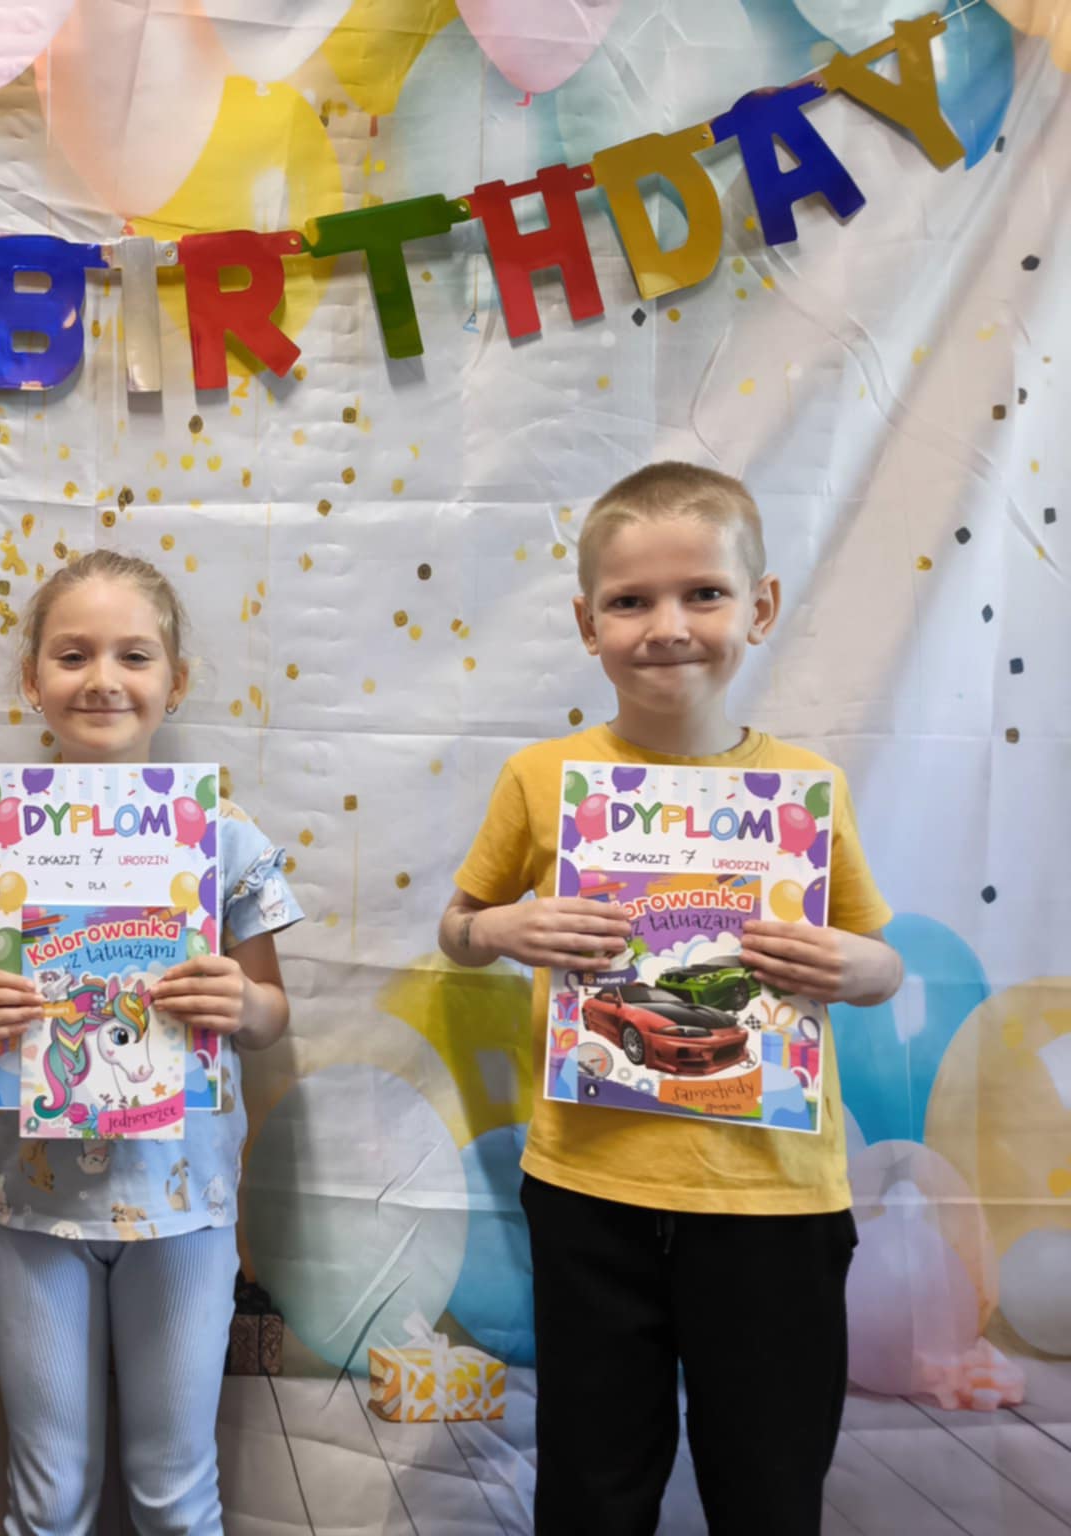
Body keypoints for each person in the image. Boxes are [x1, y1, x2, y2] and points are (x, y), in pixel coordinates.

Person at [437, 462, 904, 1536]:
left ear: (761, 607)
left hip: (775, 1201)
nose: (667, 627)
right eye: (629, 601)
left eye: (703, 593)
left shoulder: (804, 791)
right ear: (585, 623)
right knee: (593, 1489)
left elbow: (880, 963)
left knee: (768, 1490)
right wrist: (497, 931)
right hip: (588, 1187)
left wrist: (855, 969)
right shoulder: (541, 779)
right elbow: (457, 930)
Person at [0, 549, 304, 1535]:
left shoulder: (221, 836)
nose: (102, 679)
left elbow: (272, 1012)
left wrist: (242, 1001)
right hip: (32, 1206)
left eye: (133, 655)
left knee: (173, 1492)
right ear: (31, 680)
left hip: (182, 1205)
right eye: (72, 654)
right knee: (48, 1495)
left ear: (175, 681)